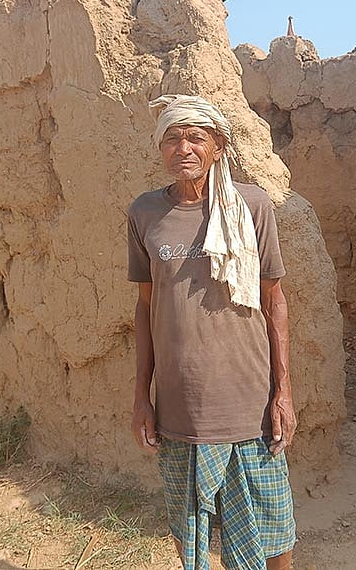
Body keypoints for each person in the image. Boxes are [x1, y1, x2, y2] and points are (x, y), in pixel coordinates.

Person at [127, 94, 297, 570]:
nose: (184, 148)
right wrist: (143, 396)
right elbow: (145, 307)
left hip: (249, 397)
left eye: (196, 137)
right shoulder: (145, 214)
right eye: (172, 138)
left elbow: (273, 300)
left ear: (218, 146)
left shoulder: (252, 204)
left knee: (273, 526)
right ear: (160, 148)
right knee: (191, 530)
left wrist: (283, 392)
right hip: (182, 402)